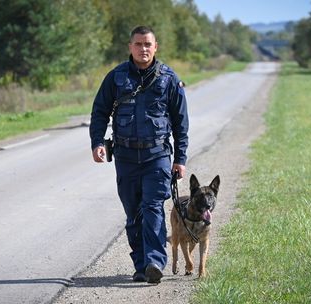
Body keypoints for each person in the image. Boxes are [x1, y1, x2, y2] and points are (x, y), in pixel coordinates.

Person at [89, 25, 189, 284]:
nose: (143, 49)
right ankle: (141, 265)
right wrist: (97, 142)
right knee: (133, 213)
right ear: (130, 47)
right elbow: (100, 110)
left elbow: (180, 122)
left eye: (148, 44)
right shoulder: (116, 77)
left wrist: (180, 158)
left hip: (157, 156)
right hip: (125, 158)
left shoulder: (168, 78)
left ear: (155, 47)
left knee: (153, 207)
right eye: (138, 44)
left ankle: (155, 261)